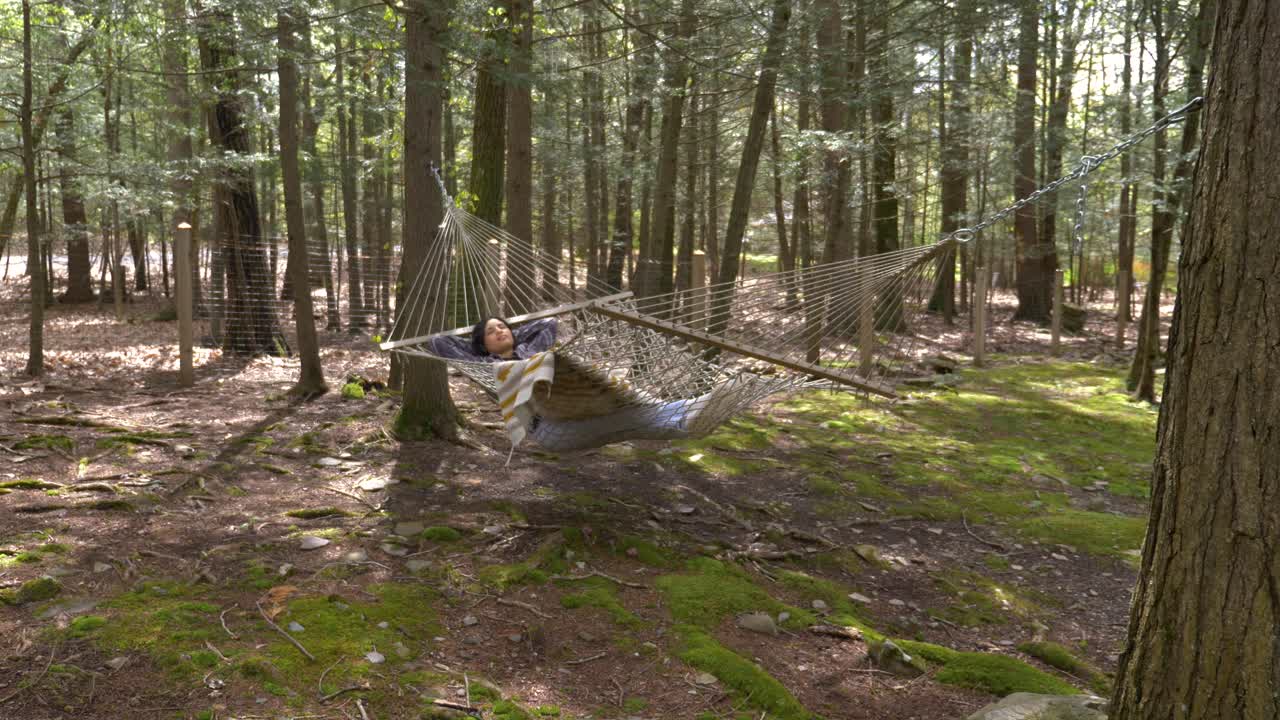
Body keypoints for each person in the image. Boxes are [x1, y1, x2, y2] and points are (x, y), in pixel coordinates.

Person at [430, 315, 740, 451]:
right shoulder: (487, 365)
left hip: (582, 409)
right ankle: (689, 414)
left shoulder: (533, 351)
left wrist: (517, 343)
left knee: (629, 414)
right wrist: (482, 348)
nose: (500, 331)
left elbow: (547, 323)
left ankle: (689, 418)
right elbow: (439, 341)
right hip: (551, 428)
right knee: (630, 417)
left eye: (504, 327)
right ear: (481, 345)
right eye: (491, 332)